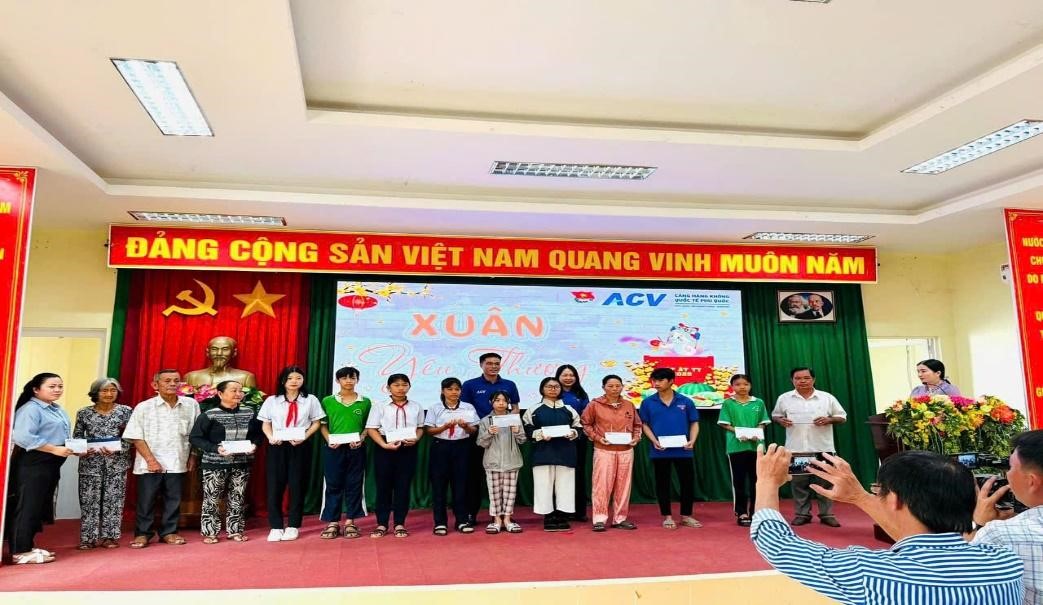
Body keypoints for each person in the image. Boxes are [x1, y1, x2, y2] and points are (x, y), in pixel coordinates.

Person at [751, 445, 1024, 604]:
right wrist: (859, 497)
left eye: (878, 491)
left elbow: (775, 543)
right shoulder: (1006, 563)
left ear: (894, 500)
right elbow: (922, 538)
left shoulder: (869, 572)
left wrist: (767, 481)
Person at [123, 369, 200, 549]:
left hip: (178, 460)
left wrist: (194, 456)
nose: (172, 384)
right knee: (146, 500)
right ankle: (143, 533)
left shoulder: (191, 405)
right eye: (167, 381)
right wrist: (151, 460)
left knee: (173, 499)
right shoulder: (144, 407)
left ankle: (169, 532)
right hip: (149, 462)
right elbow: (135, 436)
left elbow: (196, 434)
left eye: (176, 380)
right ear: (155, 385)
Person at [971, 429, 1043, 604]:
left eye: (1009, 467)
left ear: (1032, 481)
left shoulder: (1000, 535)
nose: (1006, 475)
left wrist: (981, 524)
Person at [8, 373, 74, 564]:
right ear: (36, 389)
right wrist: (54, 449)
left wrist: (72, 448)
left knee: (37, 505)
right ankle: (19, 551)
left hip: (51, 462)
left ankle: (27, 546)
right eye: (52, 386)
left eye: (60, 386)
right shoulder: (30, 409)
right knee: (27, 505)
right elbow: (23, 437)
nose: (57, 390)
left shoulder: (56, 409)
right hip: (34, 462)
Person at [772, 367, 846, 527]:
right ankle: (802, 514)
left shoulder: (826, 398)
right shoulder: (784, 398)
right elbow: (775, 415)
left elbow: (842, 416)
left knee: (825, 483)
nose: (802, 381)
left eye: (806, 378)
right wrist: (780, 421)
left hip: (822, 449)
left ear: (813, 379)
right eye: (798, 378)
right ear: (792, 380)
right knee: (799, 484)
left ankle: (827, 514)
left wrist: (829, 420)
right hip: (797, 449)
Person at [189, 380, 261, 544]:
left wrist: (255, 445)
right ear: (220, 394)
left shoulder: (250, 413)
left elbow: (258, 434)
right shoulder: (209, 415)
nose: (238, 394)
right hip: (214, 463)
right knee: (212, 498)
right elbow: (195, 437)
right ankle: (210, 532)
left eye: (240, 391)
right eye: (233, 390)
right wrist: (215, 448)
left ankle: (235, 530)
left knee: (238, 497)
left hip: (242, 462)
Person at [258, 365, 324, 542]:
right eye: (290, 378)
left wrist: (304, 436)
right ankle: (276, 526)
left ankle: (293, 525)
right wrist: (271, 437)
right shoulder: (272, 400)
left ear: (303, 381)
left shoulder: (310, 400)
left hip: (300, 446)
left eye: (298, 378)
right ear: (283, 381)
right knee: (275, 486)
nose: (294, 381)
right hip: (277, 446)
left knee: (297, 485)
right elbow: (265, 423)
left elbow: (316, 423)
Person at [461, 352, 521, 525]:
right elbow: (465, 409)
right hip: (479, 433)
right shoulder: (470, 384)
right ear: (481, 365)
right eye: (489, 363)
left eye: (497, 363)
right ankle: (471, 513)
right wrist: (483, 426)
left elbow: (515, 407)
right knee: (474, 476)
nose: (493, 366)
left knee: (504, 478)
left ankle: (504, 514)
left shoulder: (509, 384)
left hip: (505, 435)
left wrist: (509, 421)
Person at [638, 367, 701, 530]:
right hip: (660, 450)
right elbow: (645, 425)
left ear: (671, 381)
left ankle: (686, 515)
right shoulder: (647, 402)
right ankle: (667, 516)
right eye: (654, 380)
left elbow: (694, 422)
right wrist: (654, 441)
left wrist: (692, 440)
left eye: (660, 380)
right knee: (662, 483)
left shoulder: (686, 401)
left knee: (687, 483)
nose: (656, 383)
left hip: (684, 450)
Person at [74, 378, 132, 550]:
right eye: (104, 390)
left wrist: (119, 448)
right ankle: (88, 538)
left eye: (113, 390)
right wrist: (82, 449)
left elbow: (132, 436)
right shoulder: (84, 413)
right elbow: (77, 436)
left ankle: (110, 537)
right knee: (89, 501)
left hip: (117, 463)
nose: (109, 394)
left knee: (114, 500)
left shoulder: (126, 411)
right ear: (96, 393)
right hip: (90, 464)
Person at [365, 373, 424, 538]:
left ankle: (399, 523)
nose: (401, 388)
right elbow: (371, 428)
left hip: (408, 448)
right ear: (388, 388)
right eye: (396, 385)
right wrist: (384, 444)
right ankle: (382, 524)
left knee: (403, 487)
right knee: (383, 487)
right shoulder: (380, 406)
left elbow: (420, 427)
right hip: (385, 447)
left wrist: (416, 439)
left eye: (404, 385)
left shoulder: (416, 406)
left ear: (409, 387)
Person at [581, 374, 642, 532]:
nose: (614, 389)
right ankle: (599, 519)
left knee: (624, 485)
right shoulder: (594, 405)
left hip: (626, 450)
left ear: (622, 387)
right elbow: (585, 424)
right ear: (603, 388)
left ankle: (620, 518)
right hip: (604, 450)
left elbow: (637, 425)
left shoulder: (629, 404)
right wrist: (598, 438)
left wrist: (636, 438)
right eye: (610, 386)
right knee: (602, 485)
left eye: (618, 386)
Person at [318, 366, 372, 540]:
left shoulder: (365, 402)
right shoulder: (327, 401)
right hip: (333, 449)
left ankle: (350, 521)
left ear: (357, 380)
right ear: (337, 380)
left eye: (352, 377)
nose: (348, 381)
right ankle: (333, 522)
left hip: (356, 448)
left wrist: (362, 438)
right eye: (344, 378)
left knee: (354, 484)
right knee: (332, 484)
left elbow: (368, 426)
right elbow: (323, 425)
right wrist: (329, 439)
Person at [523, 377, 582, 532]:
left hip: (566, 453)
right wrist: (540, 434)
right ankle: (548, 517)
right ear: (542, 389)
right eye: (549, 386)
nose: (553, 389)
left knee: (566, 486)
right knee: (543, 485)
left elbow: (579, 427)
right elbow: (527, 429)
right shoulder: (533, 409)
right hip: (543, 454)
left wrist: (573, 433)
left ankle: (562, 516)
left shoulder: (569, 409)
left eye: (556, 386)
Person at [425, 377, 480, 536]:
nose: (454, 392)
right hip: (440, 447)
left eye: (457, 389)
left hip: (462, 447)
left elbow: (474, 430)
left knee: (461, 485)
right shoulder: (435, 408)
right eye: (450, 389)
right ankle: (440, 523)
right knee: (439, 486)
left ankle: (461, 520)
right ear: (443, 391)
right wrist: (444, 427)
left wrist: (466, 426)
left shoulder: (468, 407)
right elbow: (429, 430)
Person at [717, 373, 769, 527]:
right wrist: (740, 433)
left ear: (750, 386)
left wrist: (755, 433)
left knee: (757, 481)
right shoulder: (728, 403)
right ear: (732, 386)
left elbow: (763, 422)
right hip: (736, 447)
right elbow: (725, 424)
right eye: (738, 384)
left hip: (757, 447)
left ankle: (756, 512)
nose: (742, 387)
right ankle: (741, 512)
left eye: (745, 384)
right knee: (738, 481)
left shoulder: (758, 402)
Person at [476, 390, 526, 534]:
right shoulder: (485, 420)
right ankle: (497, 520)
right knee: (495, 494)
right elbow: (481, 443)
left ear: (508, 403)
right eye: (497, 400)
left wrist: (517, 431)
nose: (501, 403)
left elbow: (522, 440)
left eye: (504, 400)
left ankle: (508, 520)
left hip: (512, 461)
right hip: (492, 462)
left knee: (510, 494)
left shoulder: (514, 419)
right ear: (491, 402)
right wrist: (489, 433)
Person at [556, 364, 591, 522]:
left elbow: (586, 417)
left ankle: (579, 511)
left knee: (578, 473)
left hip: (577, 439)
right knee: (560, 475)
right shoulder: (553, 393)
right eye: (565, 375)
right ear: (558, 377)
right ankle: (561, 510)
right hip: (557, 440)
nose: (568, 378)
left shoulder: (581, 395)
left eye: (572, 375)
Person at [183, 336, 257, 388]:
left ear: (234, 353)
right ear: (208, 352)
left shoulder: (246, 377)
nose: (219, 353)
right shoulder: (191, 377)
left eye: (225, 349)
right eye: (214, 349)